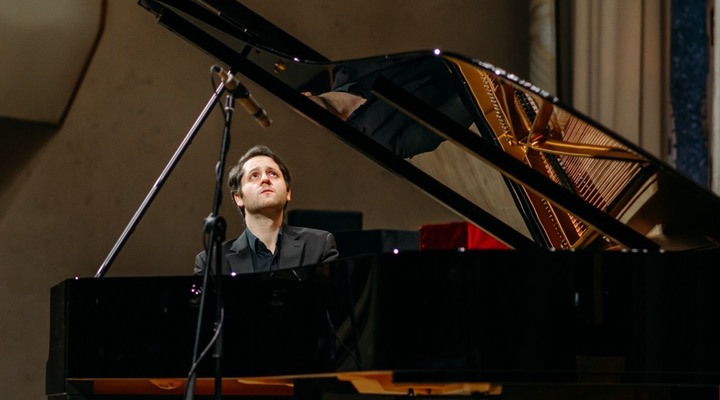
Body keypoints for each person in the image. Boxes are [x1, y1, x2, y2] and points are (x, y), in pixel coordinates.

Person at [194, 145, 339, 275]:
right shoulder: (211, 262)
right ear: (238, 197)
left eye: (272, 173)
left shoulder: (320, 245)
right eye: (254, 175)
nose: (265, 179)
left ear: (288, 192)